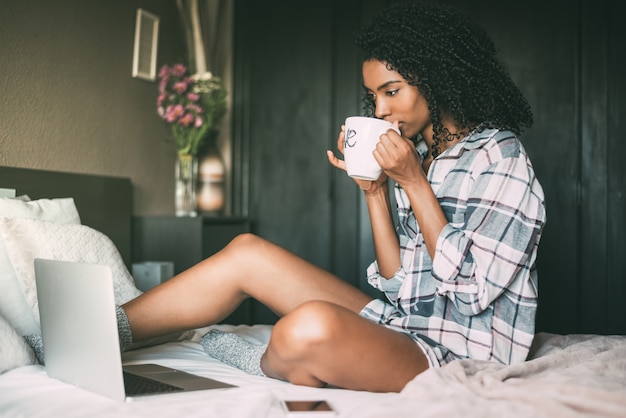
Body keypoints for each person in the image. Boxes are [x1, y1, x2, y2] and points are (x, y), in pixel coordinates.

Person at [120, 1, 546, 393]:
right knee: (246, 253)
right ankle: (101, 329)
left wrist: (414, 184)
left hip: (458, 357)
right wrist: (376, 191)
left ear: (436, 81)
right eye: (374, 94)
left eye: (391, 91)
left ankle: (270, 362)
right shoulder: (421, 156)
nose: (379, 109)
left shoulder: (499, 156)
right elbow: (400, 288)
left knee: (306, 327)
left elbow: (473, 292)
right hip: (406, 327)